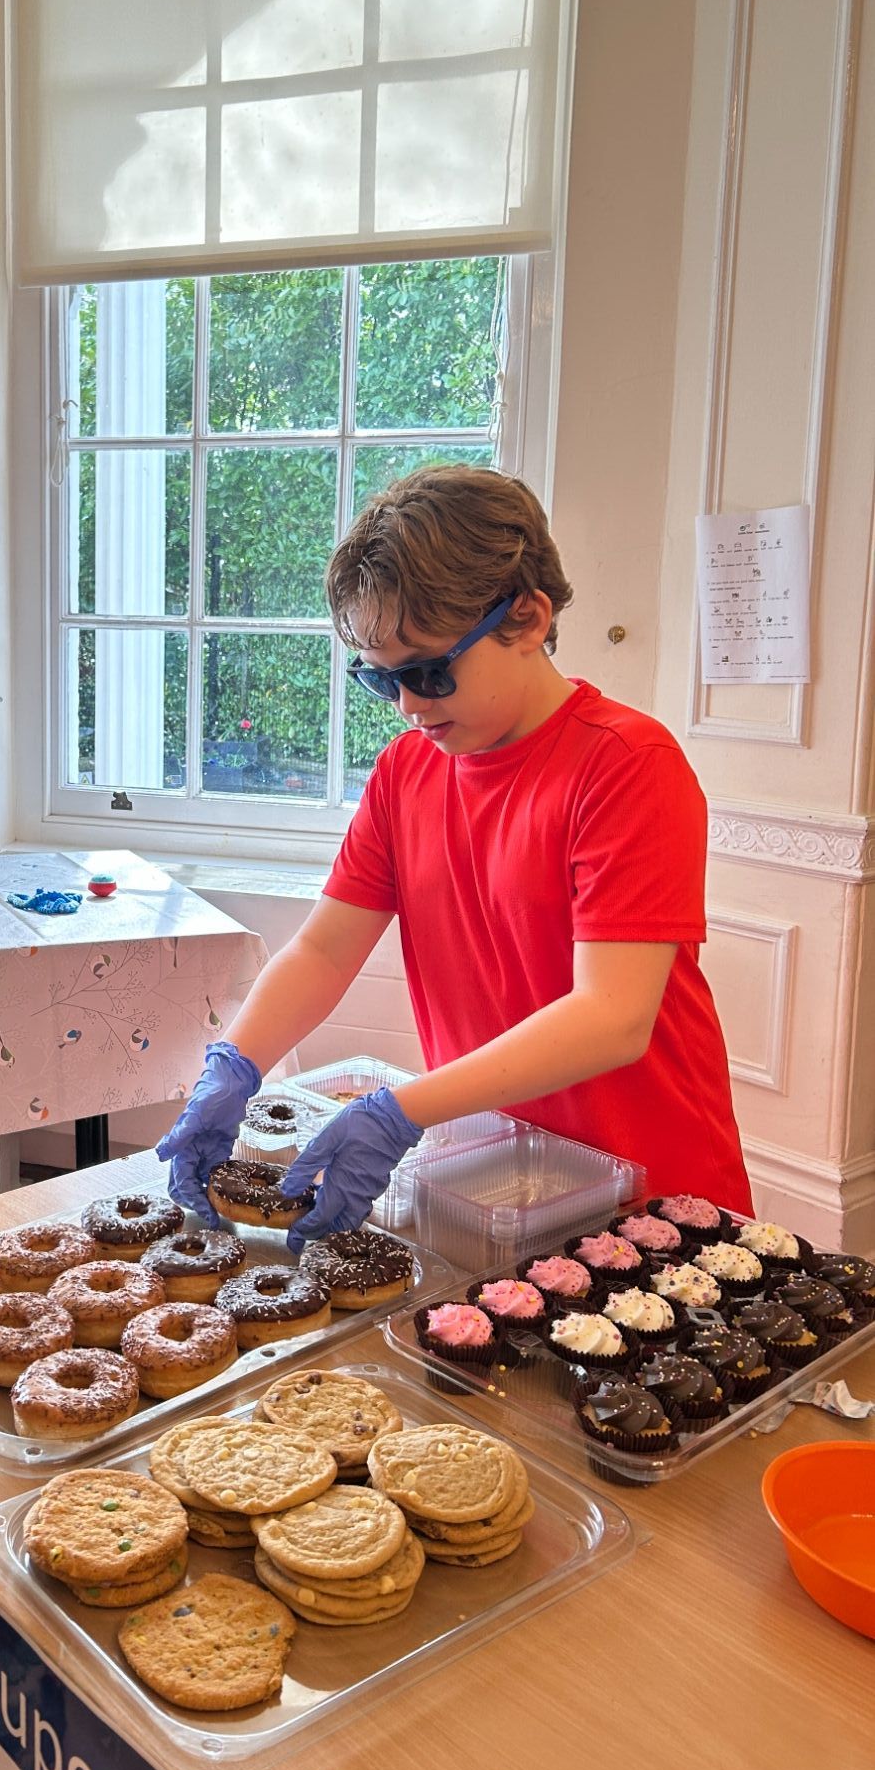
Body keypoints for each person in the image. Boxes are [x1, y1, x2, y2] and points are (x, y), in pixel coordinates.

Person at [158, 463, 752, 1253]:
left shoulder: (626, 763)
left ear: (529, 618)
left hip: (651, 1190)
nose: (408, 705)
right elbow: (326, 948)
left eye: (430, 671)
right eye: (380, 678)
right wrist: (235, 1061)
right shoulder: (409, 771)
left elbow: (611, 1018)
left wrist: (401, 1110)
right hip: (490, 1181)